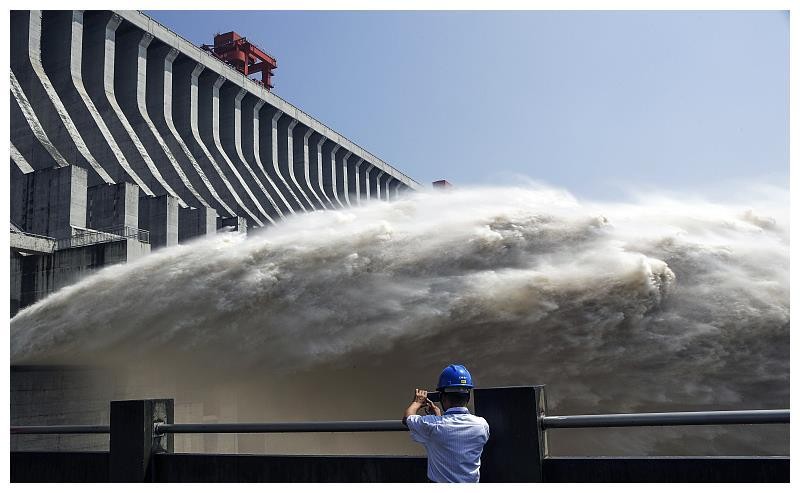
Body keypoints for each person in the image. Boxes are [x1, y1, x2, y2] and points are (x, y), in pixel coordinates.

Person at [402, 364, 490, 483]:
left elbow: (407, 419)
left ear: (443, 398)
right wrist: (439, 416)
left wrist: (417, 402)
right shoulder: (482, 425)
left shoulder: (433, 426)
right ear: (468, 397)